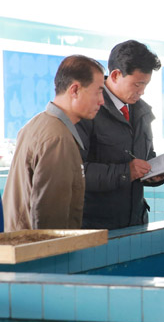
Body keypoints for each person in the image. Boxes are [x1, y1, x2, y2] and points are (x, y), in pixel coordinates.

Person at [3, 55, 105, 232]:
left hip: (19, 239)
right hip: (36, 245)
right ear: (75, 90)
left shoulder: (36, 124)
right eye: (98, 91)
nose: (101, 101)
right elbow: (50, 219)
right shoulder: (58, 138)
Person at [76, 40, 164, 230]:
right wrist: (127, 172)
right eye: (137, 84)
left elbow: (144, 156)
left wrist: (153, 173)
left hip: (135, 222)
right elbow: (75, 172)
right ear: (116, 75)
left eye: (146, 85)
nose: (142, 92)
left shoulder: (142, 112)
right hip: (96, 226)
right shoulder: (88, 110)